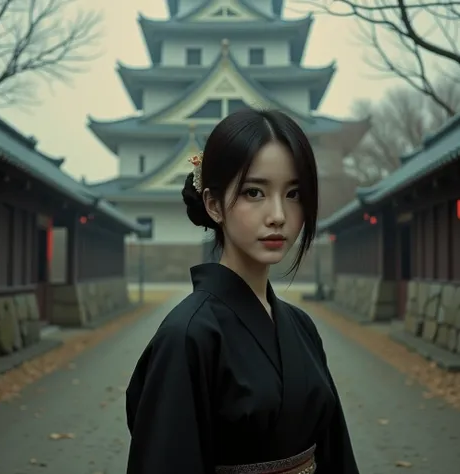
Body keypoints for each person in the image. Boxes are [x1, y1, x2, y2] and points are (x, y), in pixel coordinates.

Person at [125, 108, 360, 474]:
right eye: (255, 192)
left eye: (294, 193)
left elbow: (336, 455)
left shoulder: (302, 327)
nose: (279, 215)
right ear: (214, 204)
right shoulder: (187, 335)